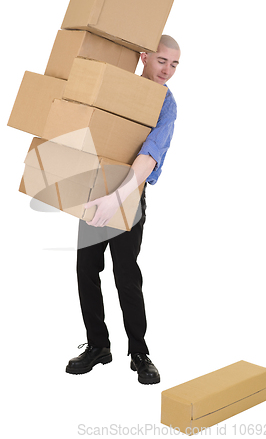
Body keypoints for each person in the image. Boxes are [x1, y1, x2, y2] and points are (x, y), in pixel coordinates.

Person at [66, 35, 180, 384]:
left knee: (126, 275)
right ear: (144, 56)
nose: (168, 70)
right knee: (87, 269)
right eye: (162, 60)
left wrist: (118, 197)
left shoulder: (166, 103)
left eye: (175, 65)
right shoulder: (118, 86)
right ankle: (98, 346)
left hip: (128, 197)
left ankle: (139, 352)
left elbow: (151, 153)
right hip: (94, 190)